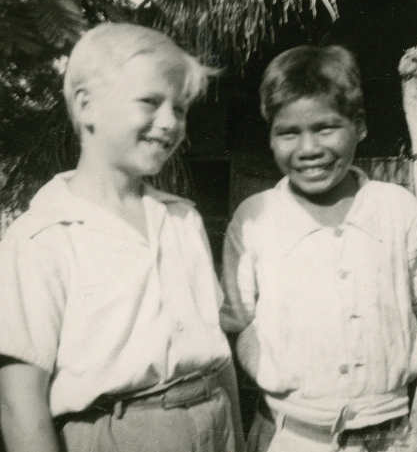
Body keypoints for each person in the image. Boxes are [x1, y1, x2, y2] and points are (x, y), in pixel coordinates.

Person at [0, 23, 242, 452]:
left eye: (180, 109)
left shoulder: (182, 219)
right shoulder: (43, 236)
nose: (169, 123)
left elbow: (217, 355)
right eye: (150, 102)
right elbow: (20, 407)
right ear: (87, 105)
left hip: (213, 420)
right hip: (117, 434)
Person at [220, 45, 417, 452]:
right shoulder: (255, 220)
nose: (308, 149)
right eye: (288, 132)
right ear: (270, 134)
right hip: (292, 435)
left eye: (326, 128)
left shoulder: (396, 209)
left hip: (394, 434)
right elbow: (233, 326)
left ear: (359, 125)